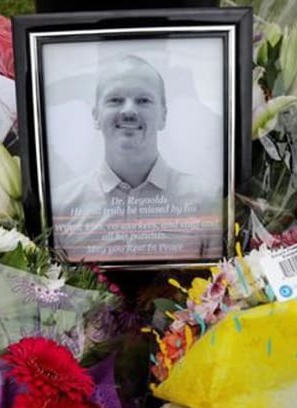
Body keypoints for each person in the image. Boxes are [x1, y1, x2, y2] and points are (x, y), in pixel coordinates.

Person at [52, 55, 223, 262]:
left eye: (143, 100)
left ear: (163, 116)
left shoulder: (208, 200)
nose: (129, 110)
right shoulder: (60, 207)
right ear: (96, 116)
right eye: (115, 100)